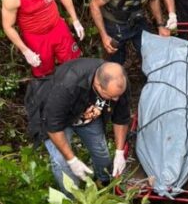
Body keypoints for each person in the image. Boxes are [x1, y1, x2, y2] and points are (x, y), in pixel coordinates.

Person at [25, 58, 130, 194]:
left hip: (86, 114)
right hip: (58, 118)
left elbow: (122, 117)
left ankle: (104, 183)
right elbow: (53, 125)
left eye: (117, 96)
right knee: (61, 161)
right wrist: (72, 160)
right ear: (97, 84)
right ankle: (74, 199)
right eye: (110, 96)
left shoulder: (119, 82)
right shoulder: (68, 84)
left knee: (101, 151)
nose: (116, 100)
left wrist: (120, 152)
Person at [2, 0, 84, 78]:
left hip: (57, 27)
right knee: (44, 72)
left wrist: (75, 20)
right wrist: (26, 51)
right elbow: (8, 26)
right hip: (36, 37)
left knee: (72, 62)